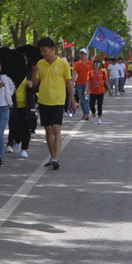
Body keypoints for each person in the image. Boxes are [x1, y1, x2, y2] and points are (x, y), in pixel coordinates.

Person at [32, 37, 76, 171]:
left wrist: (72, 100)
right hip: (43, 101)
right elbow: (35, 84)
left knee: (56, 129)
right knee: (48, 130)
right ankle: (53, 156)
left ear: (52, 49)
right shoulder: (40, 63)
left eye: (45, 51)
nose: (43, 54)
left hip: (58, 101)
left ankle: (57, 157)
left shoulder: (63, 64)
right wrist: (34, 73)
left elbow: (69, 84)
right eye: (41, 52)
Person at [72, 48, 94, 121]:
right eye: (81, 54)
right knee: (81, 100)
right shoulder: (77, 64)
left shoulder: (90, 63)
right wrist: (72, 83)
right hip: (79, 84)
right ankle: (84, 113)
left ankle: (87, 113)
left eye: (84, 54)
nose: (82, 55)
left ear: (86, 55)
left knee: (86, 99)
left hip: (88, 84)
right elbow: (74, 74)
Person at [88, 59, 108, 124]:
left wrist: (110, 89)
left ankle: (99, 118)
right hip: (92, 91)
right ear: (93, 65)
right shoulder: (90, 72)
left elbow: (106, 82)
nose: (96, 65)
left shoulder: (103, 72)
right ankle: (94, 116)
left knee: (99, 105)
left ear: (100, 65)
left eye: (98, 64)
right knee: (91, 105)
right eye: (95, 64)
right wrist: (86, 90)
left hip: (100, 91)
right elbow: (88, 82)